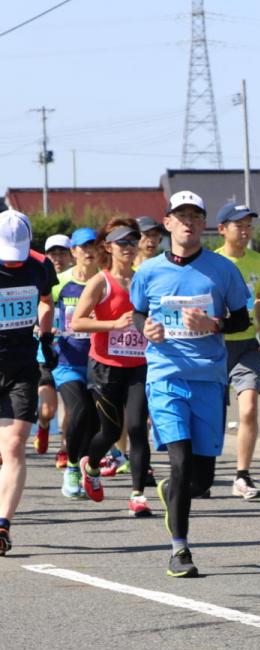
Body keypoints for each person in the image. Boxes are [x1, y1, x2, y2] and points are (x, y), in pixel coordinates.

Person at [130, 191, 251, 578]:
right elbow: (137, 313)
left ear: (204, 225)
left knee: (200, 479)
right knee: (179, 462)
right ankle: (179, 549)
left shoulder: (222, 269)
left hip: (209, 379)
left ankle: (174, 491)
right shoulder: (148, 271)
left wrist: (213, 324)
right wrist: (145, 328)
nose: (187, 222)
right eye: (180, 216)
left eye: (195, 216)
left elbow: (243, 320)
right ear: (167, 224)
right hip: (166, 375)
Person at [70, 218, 155, 515]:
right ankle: (90, 466)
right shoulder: (100, 281)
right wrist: (112, 324)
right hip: (106, 365)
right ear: (109, 247)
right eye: (122, 242)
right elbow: (77, 321)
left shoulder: (144, 279)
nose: (129, 247)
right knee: (110, 431)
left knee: (137, 428)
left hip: (139, 364)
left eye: (133, 241)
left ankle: (137, 495)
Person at [0, 210, 56, 555]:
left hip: (22, 365)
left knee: (15, 444)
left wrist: (46, 337)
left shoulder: (40, 265)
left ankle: (3, 525)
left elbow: (46, 301)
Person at [215, 201, 260, 500]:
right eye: (239, 225)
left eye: (249, 225)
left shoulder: (259, 261)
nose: (246, 231)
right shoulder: (212, 263)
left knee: (249, 406)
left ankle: (242, 475)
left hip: (247, 344)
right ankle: (201, 466)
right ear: (222, 229)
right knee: (212, 413)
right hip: (215, 345)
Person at [53, 228, 101, 500]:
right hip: (67, 361)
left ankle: (84, 463)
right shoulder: (60, 282)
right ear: (73, 252)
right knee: (79, 410)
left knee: (95, 423)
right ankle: (71, 468)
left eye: (93, 246)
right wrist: (42, 327)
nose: (89, 251)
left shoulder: (103, 283)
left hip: (98, 362)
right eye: (83, 247)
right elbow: (44, 307)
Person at [35, 234, 71, 457]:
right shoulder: (38, 280)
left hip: (70, 354)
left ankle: (65, 448)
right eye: (53, 253)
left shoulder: (77, 284)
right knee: (48, 410)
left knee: (70, 409)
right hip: (44, 354)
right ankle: (44, 426)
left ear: (71, 255)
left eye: (62, 253)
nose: (57, 257)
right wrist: (40, 330)